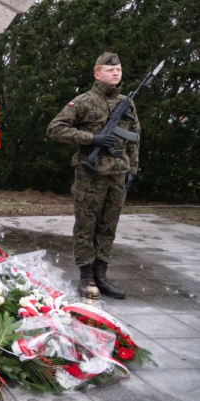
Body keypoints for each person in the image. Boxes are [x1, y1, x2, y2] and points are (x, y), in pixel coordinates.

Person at [47, 52, 140, 300]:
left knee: (108, 227)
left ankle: (102, 274)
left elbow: (134, 139)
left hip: (118, 174)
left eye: (119, 69)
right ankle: (86, 276)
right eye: (111, 70)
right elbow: (55, 129)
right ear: (97, 74)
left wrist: (133, 170)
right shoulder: (83, 102)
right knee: (86, 226)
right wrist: (92, 138)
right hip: (91, 174)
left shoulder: (127, 103)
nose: (116, 73)